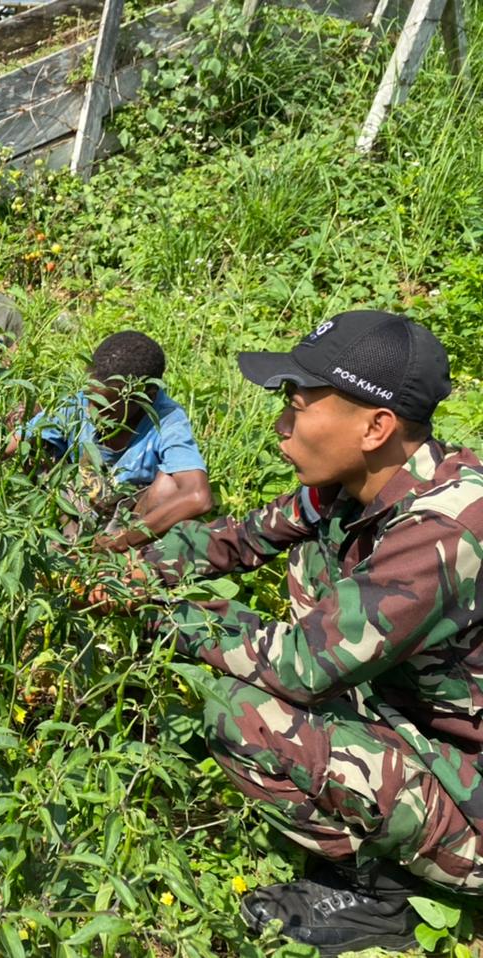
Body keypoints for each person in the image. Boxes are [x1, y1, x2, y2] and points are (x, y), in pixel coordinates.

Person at [102, 310, 483, 955]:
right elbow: (236, 539)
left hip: (470, 785)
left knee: (242, 714)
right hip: (410, 717)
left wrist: (166, 614)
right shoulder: (353, 486)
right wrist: (122, 568)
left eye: (297, 406)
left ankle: (378, 898)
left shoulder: (445, 529)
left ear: (375, 426)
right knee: (311, 558)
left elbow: (305, 664)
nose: (280, 425)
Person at [0, 330, 213, 551]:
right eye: (89, 398)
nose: (91, 411)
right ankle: (70, 535)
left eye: (105, 407)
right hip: (76, 499)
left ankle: (124, 560)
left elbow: (197, 496)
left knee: (169, 486)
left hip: (129, 515)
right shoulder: (81, 402)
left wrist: (122, 539)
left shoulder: (168, 420)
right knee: (30, 441)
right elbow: (12, 442)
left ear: (145, 397)